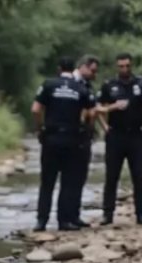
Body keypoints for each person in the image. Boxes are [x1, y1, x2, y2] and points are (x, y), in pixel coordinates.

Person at [31, 57, 96, 232]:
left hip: (51, 138)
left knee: (47, 182)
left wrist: (39, 129)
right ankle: (64, 221)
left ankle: (41, 221)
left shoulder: (49, 84)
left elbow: (35, 109)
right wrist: (87, 131)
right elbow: (92, 113)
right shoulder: (80, 88)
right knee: (68, 182)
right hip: (72, 139)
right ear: (73, 68)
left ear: (59, 69)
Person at [97, 53, 142, 226]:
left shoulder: (141, 83)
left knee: (138, 176)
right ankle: (107, 214)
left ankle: (141, 214)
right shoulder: (109, 85)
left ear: (131, 66)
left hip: (136, 135)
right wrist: (105, 124)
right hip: (115, 135)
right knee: (111, 176)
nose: (124, 69)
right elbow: (98, 107)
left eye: (127, 66)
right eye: (121, 66)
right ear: (117, 67)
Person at [60, 54, 102, 229]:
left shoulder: (86, 86)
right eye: (92, 70)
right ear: (83, 67)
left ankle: (74, 215)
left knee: (79, 177)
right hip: (70, 135)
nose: (94, 74)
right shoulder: (72, 84)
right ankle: (64, 218)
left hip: (84, 137)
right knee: (68, 179)